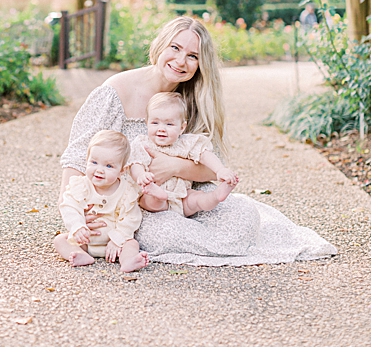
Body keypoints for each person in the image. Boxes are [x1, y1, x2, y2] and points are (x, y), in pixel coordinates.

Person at [59, 16, 337, 266]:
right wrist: (76, 214)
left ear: (201, 65)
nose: (181, 61)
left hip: (181, 198)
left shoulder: (192, 100)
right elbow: (76, 156)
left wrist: (173, 166)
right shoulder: (114, 92)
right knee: (163, 231)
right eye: (175, 48)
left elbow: (211, 170)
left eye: (193, 56)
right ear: (160, 46)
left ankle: (210, 238)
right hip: (131, 207)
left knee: (244, 214)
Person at [127, 92, 239, 216]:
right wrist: (141, 175)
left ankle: (216, 196)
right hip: (151, 191)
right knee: (148, 201)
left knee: (196, 199)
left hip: (181, 195)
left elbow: (204, 154)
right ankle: (158, 196)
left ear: (181, 128)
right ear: (147, 123)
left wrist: (220, 170)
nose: (161, 128)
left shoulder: (185, 143)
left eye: (169, 124)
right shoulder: (143, 143)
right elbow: (135, 163)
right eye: (155, 123)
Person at [55, 130, 149, 272]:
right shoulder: (81, 186)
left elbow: (131, 218)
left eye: (109, 166)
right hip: (86, 240)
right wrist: (78, 226)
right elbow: (69, 207)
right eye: (94, 162)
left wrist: (117, 240)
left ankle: (128, 261)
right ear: (86, 160)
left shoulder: (126, 191)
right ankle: (81, 255)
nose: (99, 170)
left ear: (122, 170)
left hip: (114, 244)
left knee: (132, 244)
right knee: (60, 240)